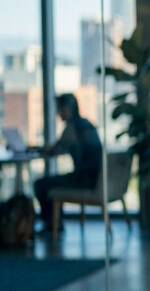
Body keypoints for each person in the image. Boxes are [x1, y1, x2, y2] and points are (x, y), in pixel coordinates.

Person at [33, 93, 102, 233]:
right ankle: (55, 222)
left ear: (67, 108)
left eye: (59, 108)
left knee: (41, 185)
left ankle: (52, 224)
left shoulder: (73, 128)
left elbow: (54, 150)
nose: (58, 113)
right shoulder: (86, 124)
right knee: (52, 182)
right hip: (96, 178)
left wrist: (31, 149)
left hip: (85, 180)